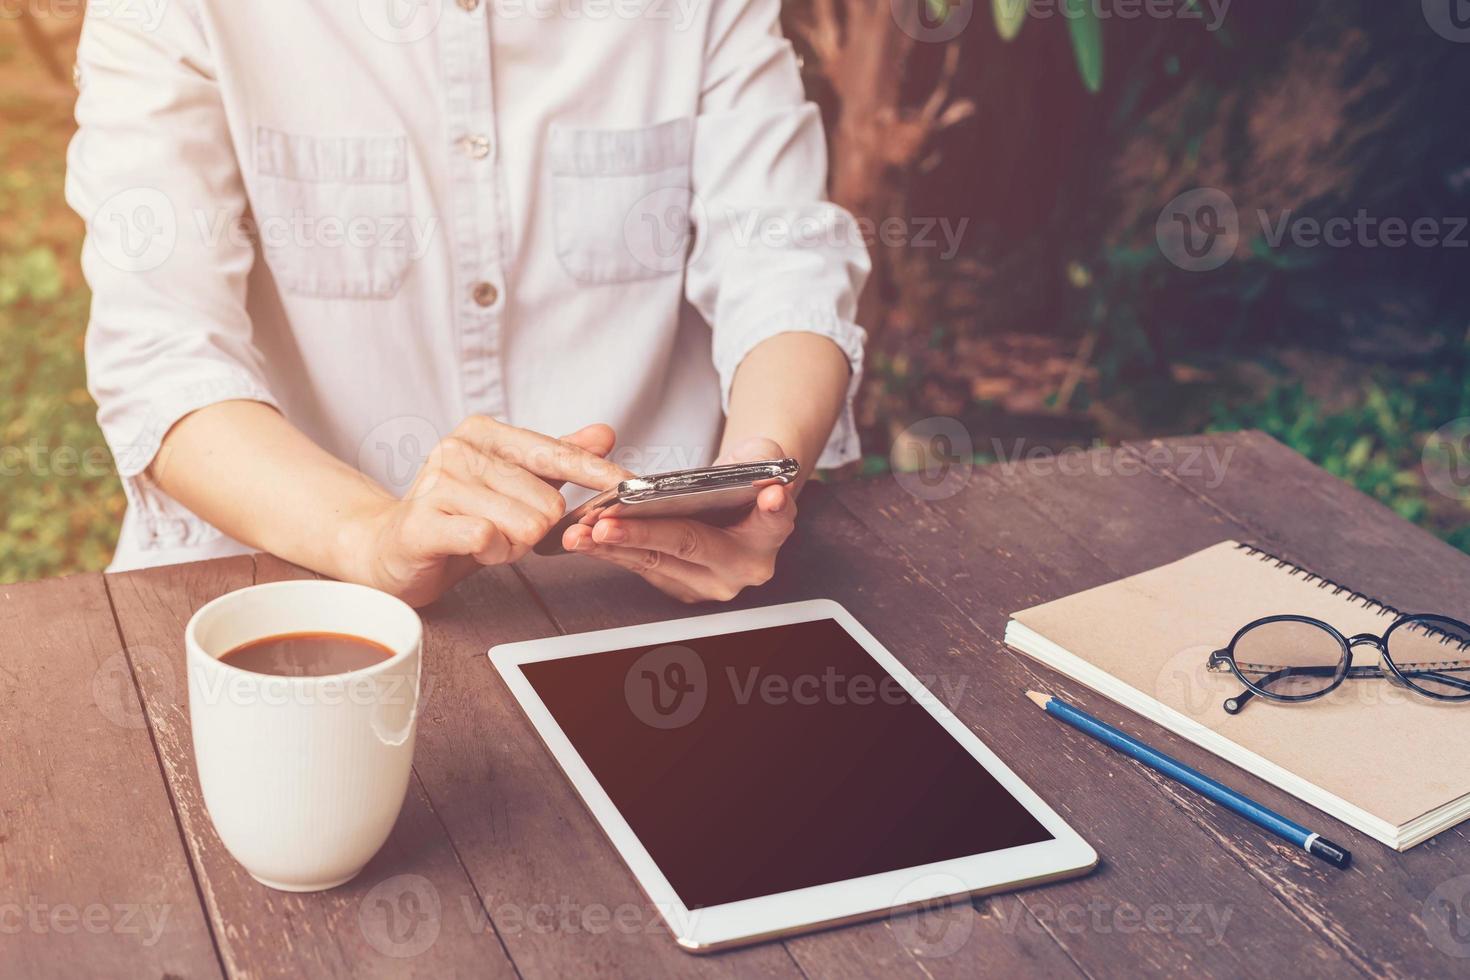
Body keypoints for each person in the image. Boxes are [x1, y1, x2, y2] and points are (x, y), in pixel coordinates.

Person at [67, 0, 869, 607]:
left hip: (631, 598)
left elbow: (783, 255)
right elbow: (163, 359)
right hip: (277, 588)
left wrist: (761, 473)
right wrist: (372, 537)